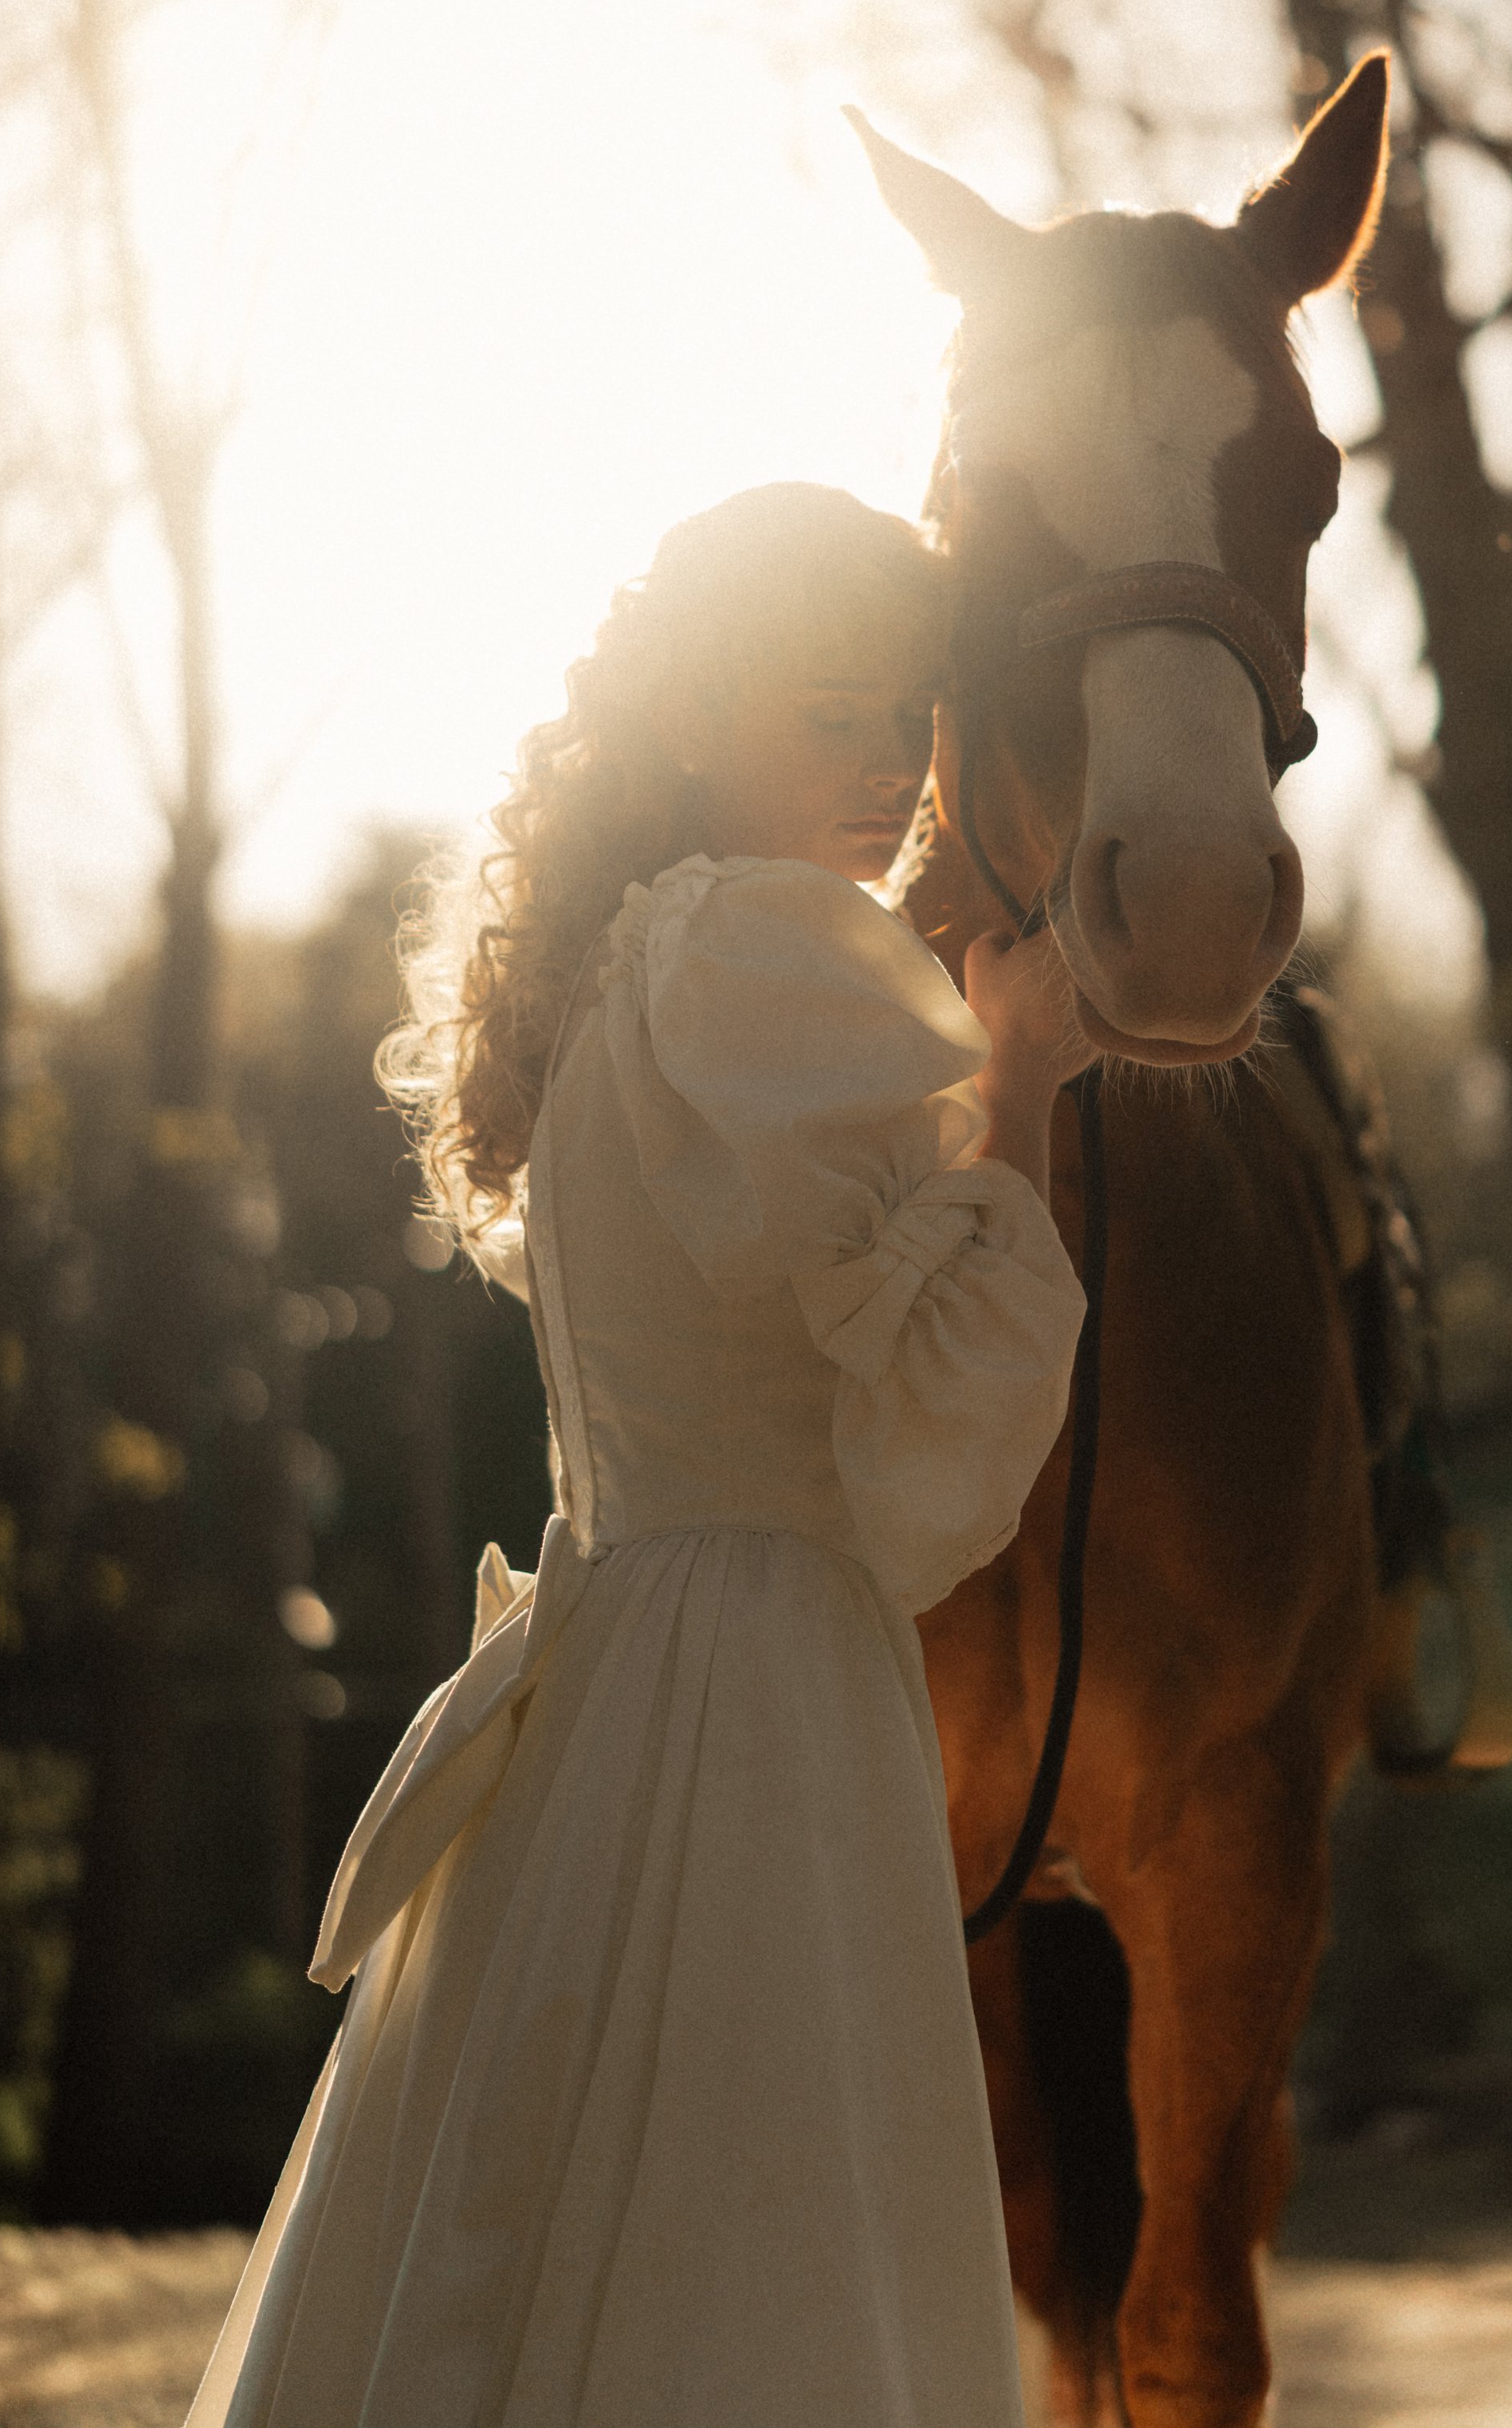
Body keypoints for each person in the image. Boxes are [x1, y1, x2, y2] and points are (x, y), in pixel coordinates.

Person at [187, 482, 1089, 2428]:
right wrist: (1017, 1078)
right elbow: (929, 1419)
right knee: (746, 2234)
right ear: (691, 720)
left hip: (614, 1667)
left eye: (903, 711)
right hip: (754, 1677)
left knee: (543, 2230)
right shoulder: (763, 947)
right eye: (821, 712)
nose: (882, 767)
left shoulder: (622, 963)